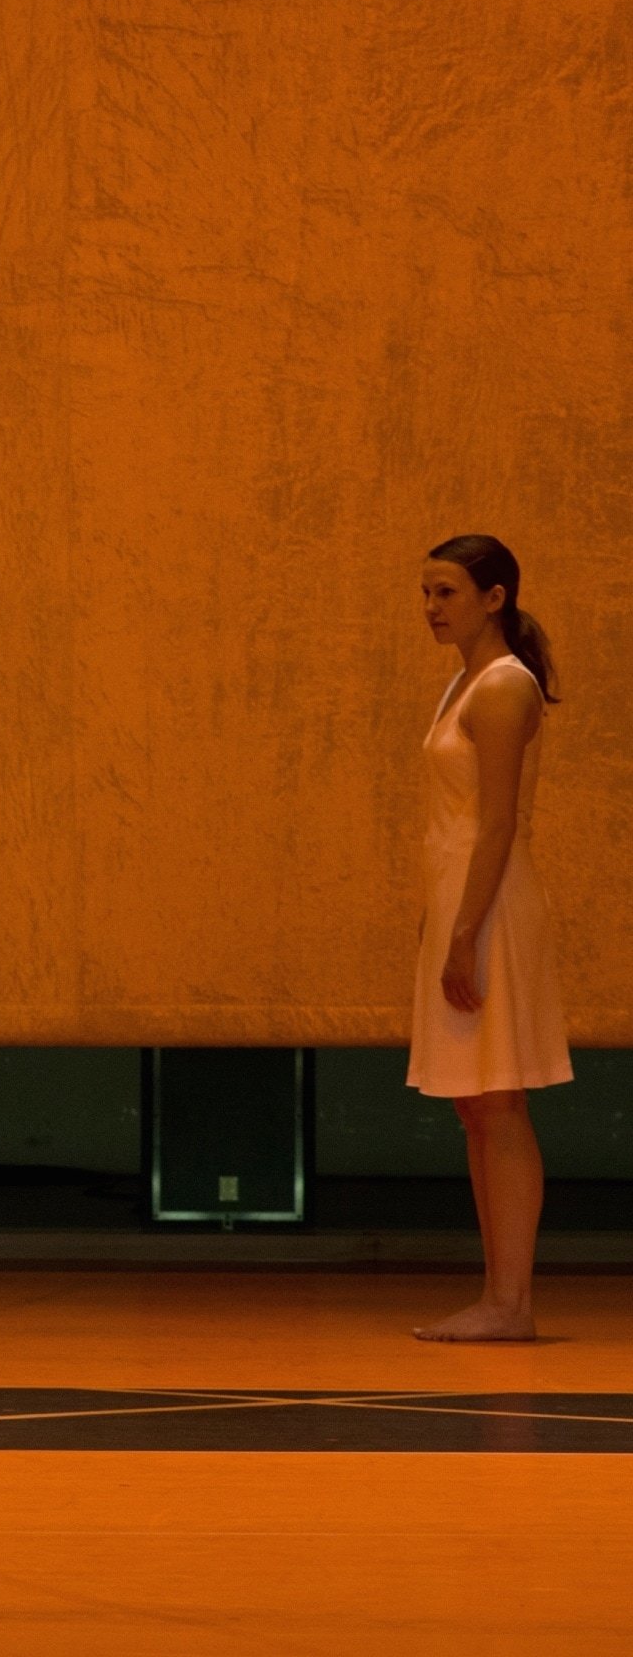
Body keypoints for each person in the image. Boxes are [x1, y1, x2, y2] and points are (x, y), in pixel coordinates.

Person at [408, 534, 571, 1343]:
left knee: (499, 1100)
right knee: (476, 1106)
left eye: (447, 593)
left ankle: (511, 1302)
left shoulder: (504, 688)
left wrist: (467, 931)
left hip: (495, 909)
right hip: (464, 906)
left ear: (494, 597)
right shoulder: (459, 685)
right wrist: (440, 924)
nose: (433, 608)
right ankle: (499, 1295)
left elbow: (498, 822)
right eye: (428, 594)